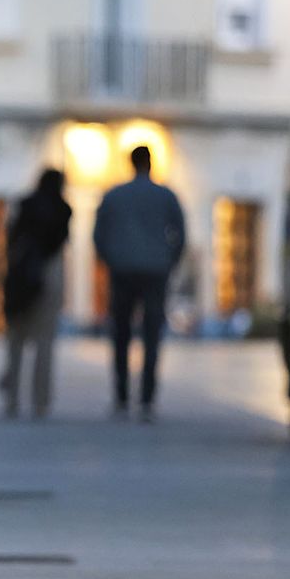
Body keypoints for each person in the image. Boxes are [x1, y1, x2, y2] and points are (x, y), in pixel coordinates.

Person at [92, 145, 184, 421]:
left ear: (131, 164)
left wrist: (111, 258)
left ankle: (121, 395)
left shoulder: (114, 196)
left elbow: (98, 235)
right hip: (155, 270)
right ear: (151, 164)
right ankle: (146, 396)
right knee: (152, 334)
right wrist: (169, 260)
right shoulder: (165, 196)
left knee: (120, 333)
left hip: (122, 270)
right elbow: (180, 233)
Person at [0, 169, 71, 420]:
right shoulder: (63, 209)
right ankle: (41, 402)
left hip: (21, 275)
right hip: (50, 275)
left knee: (16, 341)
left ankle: (12, 399)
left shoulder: (24, 205)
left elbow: (11, 239)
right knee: (45, 344)